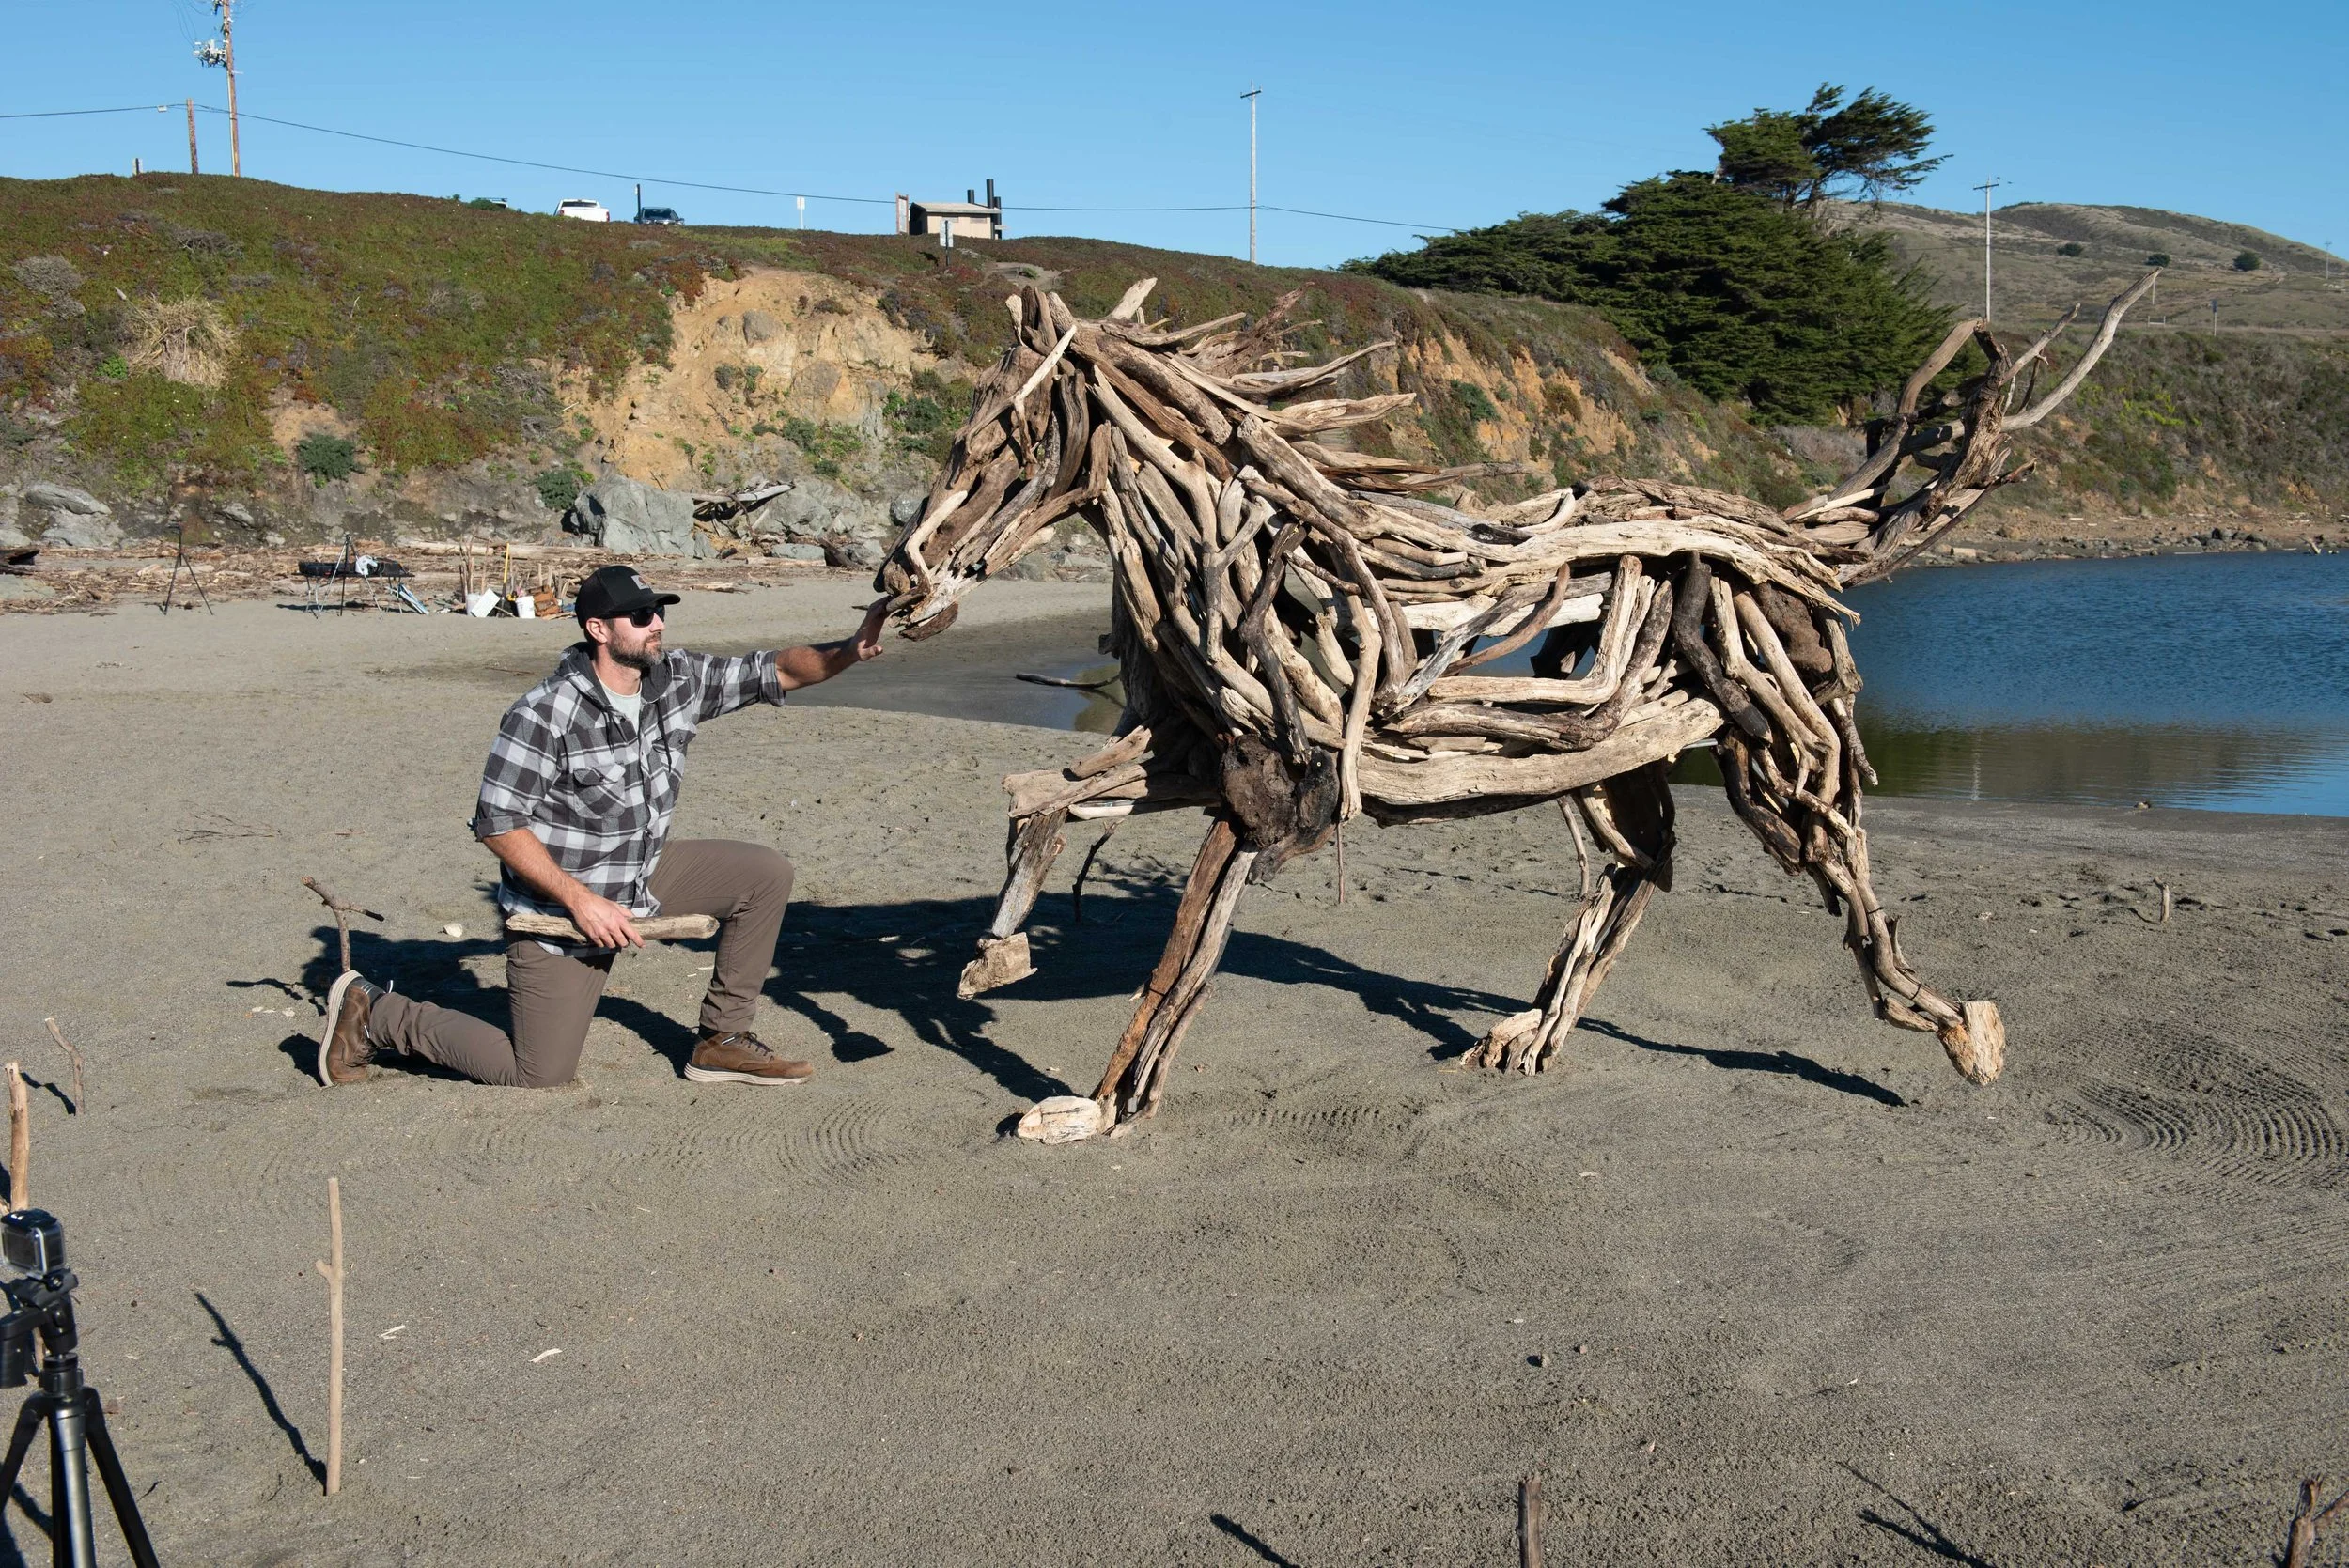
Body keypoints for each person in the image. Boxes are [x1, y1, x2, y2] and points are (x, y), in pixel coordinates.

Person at [315, 565, 891, 1090]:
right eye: (641, 616)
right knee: (536, 1072)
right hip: (560, 910)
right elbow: (498, 824)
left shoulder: (677, 680)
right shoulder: (543, 712)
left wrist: (852, 649)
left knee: (764, 875)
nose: (656, 624)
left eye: (659, 611)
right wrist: (582, 903)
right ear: (598, 628)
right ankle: (374, 1014)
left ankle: (723, 1040)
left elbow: (780, 669)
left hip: (642, 875)